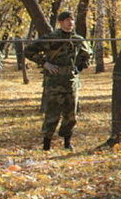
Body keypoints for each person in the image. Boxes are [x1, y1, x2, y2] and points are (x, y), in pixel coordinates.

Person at [25, 11, 93, 151]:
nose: (70, 23)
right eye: (67, 20)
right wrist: (45, 64)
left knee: (71, 115)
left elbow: (88, 55)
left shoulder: (78, 39)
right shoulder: (51, 39)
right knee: (52, 114)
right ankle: (46, 144)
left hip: (71, 82)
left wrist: (79, 67)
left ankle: (67, 142)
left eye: (72, 20)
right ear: (60, 22)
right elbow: (29, 51)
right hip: (54, 83)